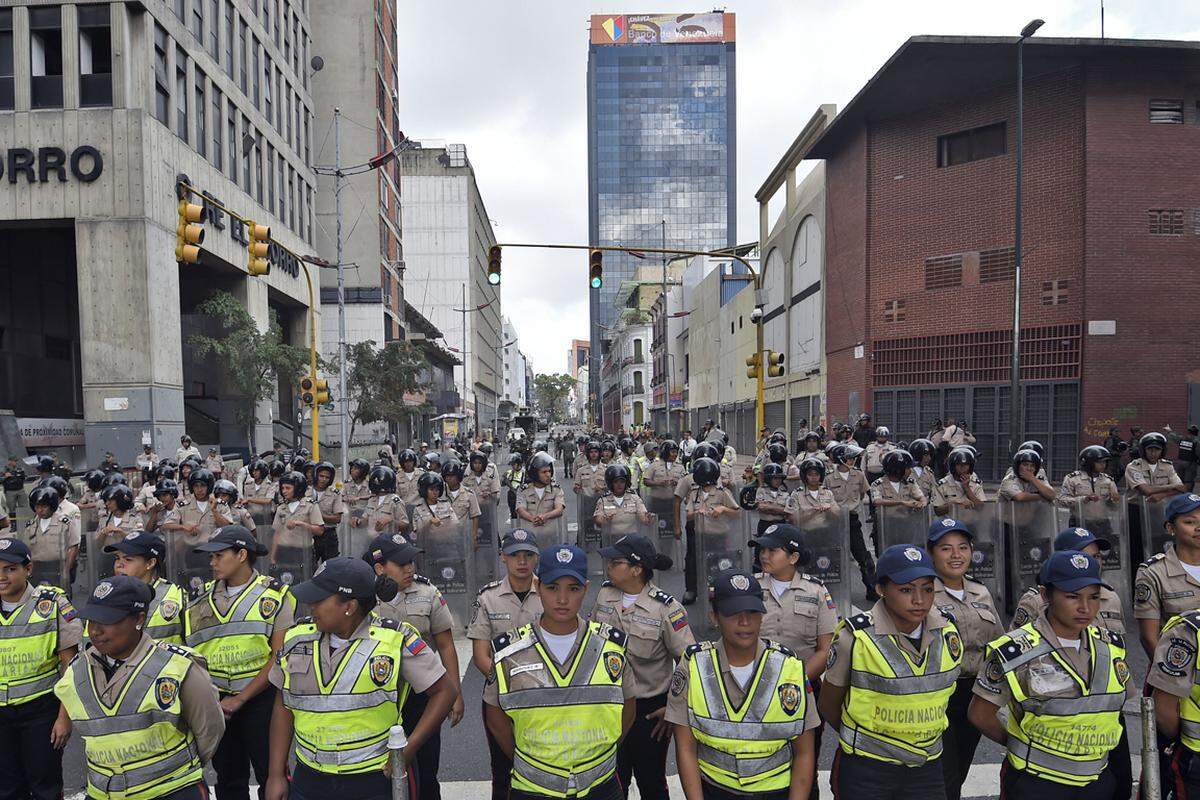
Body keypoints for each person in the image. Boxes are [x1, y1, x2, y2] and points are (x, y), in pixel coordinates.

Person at [266, 557, 458, 800]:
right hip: (310, 777)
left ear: (350, 606)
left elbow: (444, 691)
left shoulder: (395, 640)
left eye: (320, 599)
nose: (310, 605)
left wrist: (408, 749)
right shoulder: (296, 639)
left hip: (373, 778)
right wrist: (276, 774)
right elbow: (283, 705)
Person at [969, 550, 1132, 799]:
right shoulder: (1014, 651)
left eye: (1094, 597)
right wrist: (1027, 745)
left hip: (1097, 780)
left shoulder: (1111, 646)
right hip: (1037, 781)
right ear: (1046, 595)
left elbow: (1115, 707)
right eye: (1072, 597)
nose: (1085, 607)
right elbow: (980, 714)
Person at [483, 544, 636, 800]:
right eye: (552, 588)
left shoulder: (611, 648)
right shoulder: (509, 652)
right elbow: (496, 719)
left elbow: (627, 709)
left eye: (573, 589)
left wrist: (597, 755)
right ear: (538, 587)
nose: (562, 599)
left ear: (586, 589)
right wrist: (534, 763)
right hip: (533, 787)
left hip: (599, 785)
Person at [55, 574, 224, 800]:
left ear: (139, 619)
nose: (95, 630)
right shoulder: (77, 670)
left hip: (170, 791)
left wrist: (177, 769)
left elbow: (210, 728)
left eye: (108, 621)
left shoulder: (177, 666)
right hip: (102, 794)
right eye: (92, 620)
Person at [819, 544, 962, 800]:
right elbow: (830, 704)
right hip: (869, 767)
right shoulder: (855, 637)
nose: (919, 600)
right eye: (906, 590)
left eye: (928, 589)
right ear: (880, 589)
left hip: (926, 766)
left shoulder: (948, 632)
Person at [667, 568, 819, 800]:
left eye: (752, 612)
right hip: (715, 790)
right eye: (732, 613)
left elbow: (805, 752)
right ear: (714, 618)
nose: (745, 621)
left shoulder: (790, 666)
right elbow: (685, 748)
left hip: (775, 791)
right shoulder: (693, 665)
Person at [185, 526, 296, 800]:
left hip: (262, 700)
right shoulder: (198, 599)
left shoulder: (276, 595)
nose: (212, 563)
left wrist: (242, 698)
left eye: (219, 555)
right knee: (227, 779)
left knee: (272, 775)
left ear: (242, 555)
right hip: (217, 702)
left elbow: (279, 658)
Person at [591, 534, 693, 799]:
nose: (609, 566)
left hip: (649, 712)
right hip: (609, 704)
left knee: (651, 782)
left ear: (636, 570)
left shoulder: (666, 609)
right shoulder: (604, 594)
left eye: (616, 562)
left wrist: (674, 706)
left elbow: (689, 661)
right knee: (611, 780)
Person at [750, 523, 836, 800]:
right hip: (753, 690)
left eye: (773, 550)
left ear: (794, 557)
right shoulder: (750, 587)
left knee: (805, 765)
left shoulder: (817, 592)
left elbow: (826, 649)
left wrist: (794, 681)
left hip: (804, 689)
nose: (765, 555)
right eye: (762, 549)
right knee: (758, 763)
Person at [926, 519, 1003, 800]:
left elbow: (997, 640)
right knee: (942, 774)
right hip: (940, 694)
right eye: (946, 548)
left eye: (962, 547)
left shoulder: (980, 591)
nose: (956, 555)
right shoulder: (923, 593)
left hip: (977, 693)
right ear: (932, 553)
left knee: (959, 769)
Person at [0, 537, 81, 800]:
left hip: (40, 712)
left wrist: (64, 717)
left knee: (46, 787)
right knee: (8, 788)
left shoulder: (52, 602)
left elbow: (71, 665)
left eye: (10, 568)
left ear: (28, 569)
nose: (2, 576)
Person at [467, 530, 544, 800]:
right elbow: (480, 655)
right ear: (503, 558)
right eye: (514, 555)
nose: (521, 562)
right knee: (503, 771)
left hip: (543, 695)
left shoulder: (549, 591)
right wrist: (507, 685)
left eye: (528, 555)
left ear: (536, 557)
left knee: (546, 766)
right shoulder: (488, 598)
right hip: (501, 697)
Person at [1134, 492, 1200, 658]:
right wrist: (1171, 675)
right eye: (1190, 522)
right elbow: (1149, 638)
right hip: (1179, 674)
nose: (1198, 527)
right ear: (1171, 528)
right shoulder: (1154, 572)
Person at [679, 457, 741, 607]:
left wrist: (723, 509)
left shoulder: (722, 493)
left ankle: (718, 593)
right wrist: (697, 513)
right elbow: (688, 515)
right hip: (700, 535)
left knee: (719, 566)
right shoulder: (695, 494)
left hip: (718, 536)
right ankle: (692, 590)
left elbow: (737, 513)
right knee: (694, 562)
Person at [107, 531, 187, 644]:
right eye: (117, 558)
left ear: (150, 563)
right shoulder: (105, 596)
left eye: (128, 559)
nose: (119, 564)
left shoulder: (177, 596)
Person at [22, 485, 80, 590]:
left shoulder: (64, 523)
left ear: (52, 505)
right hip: (36, 569)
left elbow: (73, 546)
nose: (40, 510)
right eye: (37, 507)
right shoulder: (30, 526)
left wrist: (66, 570)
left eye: (44, 506)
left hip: (58, 568)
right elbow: (25, 550)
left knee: (61, 601)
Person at [515, 452, 566, 545]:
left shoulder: (556, 489)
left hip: (551, 536)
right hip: (530, 537)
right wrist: (532, 518)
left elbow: (559, 509)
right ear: (534, 474)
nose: (548, 475)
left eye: (549, 471)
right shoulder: (523, 490)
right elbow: (520, 509)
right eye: (544, 472)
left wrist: (545, 516)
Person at [932, 447, 988, 515]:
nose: (963, 468)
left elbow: (981, 508)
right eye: (959, 465)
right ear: (953, 466)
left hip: (971, 523)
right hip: (950, 523)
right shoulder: (942, 484)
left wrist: (967, 489)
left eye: (966, 465)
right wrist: (957, 505)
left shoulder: (975, 484)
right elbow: (937, 510)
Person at [1167, 423, 1200, 491]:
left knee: (1179, 480)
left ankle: (1179, 494)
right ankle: (1187, 496)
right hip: (1190, 464)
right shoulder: (1196, 442)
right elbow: (1198, 453)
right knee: (1189, 481)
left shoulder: (1182, 439)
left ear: (1188, 432)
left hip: (1180, 462)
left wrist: (1169, 431)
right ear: (1196, 433)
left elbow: (1174, 437)